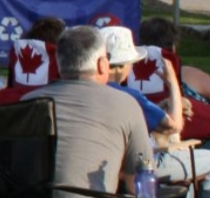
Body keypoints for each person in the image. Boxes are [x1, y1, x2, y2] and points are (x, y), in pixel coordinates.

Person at [23, 26, 156, 193]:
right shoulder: (125, 104)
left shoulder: (28, 101)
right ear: (102, 64)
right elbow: (138, 182)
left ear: (59, 64)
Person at [98, 26, 210, 196]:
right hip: (144, 165)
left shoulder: (88, 93)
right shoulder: (130, 98)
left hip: (107, 165)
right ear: (122, 66)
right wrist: (172, 85)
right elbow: (174, 127)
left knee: (191, 166)